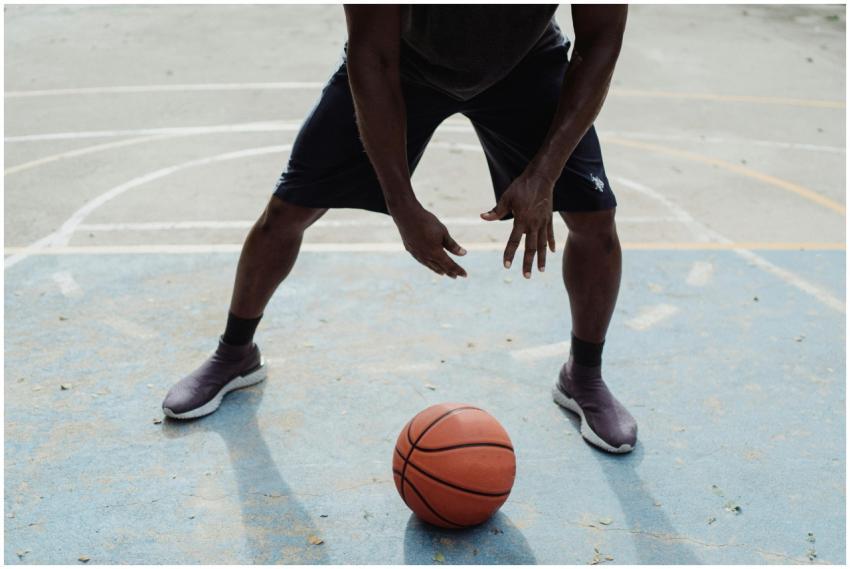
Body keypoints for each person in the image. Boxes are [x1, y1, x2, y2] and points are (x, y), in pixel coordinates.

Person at [162, 5, 637, 453]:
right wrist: (402, 204)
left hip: (525, 65)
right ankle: (235, 354)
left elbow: (601, 40)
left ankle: (584, 375)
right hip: (402, 64)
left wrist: (545, 173)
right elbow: (373, 55)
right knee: (288, 211)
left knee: (595, 221)